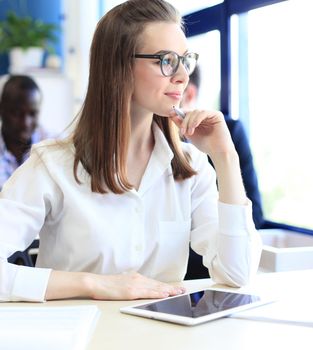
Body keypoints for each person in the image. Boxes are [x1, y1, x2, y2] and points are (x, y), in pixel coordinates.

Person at [0, 0, 262, 303]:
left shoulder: (190, 166)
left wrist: (225, 158)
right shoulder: (52, 165)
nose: (181, 75)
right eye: (165, 60)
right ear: (119, 66)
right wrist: (93, 284)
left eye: (185, 60)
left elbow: (237, 273)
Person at [182, 66, 264, 280]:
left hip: (208, 271)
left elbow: (254, 217)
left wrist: (225, 155)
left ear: (188, 93)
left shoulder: (227, 133)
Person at [0, 75, 50, 190]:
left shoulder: (53, 146)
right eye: (17, 113)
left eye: (33, 114)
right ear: (1, 109)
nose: (25, 123)